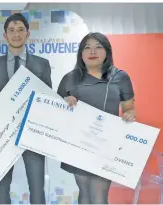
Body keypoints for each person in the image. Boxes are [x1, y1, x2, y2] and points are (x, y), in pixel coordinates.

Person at [57, 32, 136, 204]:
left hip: (106, 143)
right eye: (87, 48)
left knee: (100, 195)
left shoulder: (120, 77)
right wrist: (65, 101)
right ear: (81, 54)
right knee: (84, 191)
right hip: (77, 143)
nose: (92, 51)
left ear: (107, 51)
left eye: (98, 47)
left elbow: (129, 108)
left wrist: (130, 115)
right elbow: (56, 109)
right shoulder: (69, 78)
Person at [0, 13, 52, 204]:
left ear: (28, 34)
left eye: (21, 29)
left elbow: (48, 97)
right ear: (5, 35)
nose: (16, 34)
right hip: (4, 134)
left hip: (32, 133)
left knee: (37, 187)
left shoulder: (41, 64)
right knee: (1, 187)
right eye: (11, 30)